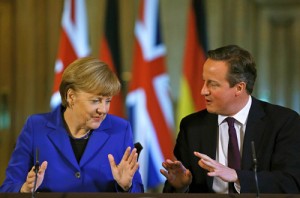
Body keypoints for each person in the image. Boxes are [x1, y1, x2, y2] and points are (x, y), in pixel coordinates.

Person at [160, 45, 300, 194]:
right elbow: (173, 188)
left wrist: (236, 176)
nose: (203, 91)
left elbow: (291, 182)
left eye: (212, 84)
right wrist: (181, 186)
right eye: (203, 81)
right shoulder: (192, 126)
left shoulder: (283, 122)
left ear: (239, 88)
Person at [0, 57, 144, 193]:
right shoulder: (36, 128)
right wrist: (25, 189)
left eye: (108, 101)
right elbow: (8, 187)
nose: (103, 110)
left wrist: (126, 186)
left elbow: (138, 190)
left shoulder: (120, 129)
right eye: (96, 101)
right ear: (71, 97)